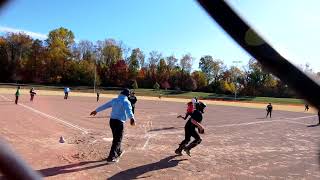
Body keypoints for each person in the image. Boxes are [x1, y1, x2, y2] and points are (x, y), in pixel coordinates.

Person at [90, 88, 136, 163]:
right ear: (127, 95)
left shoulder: (114, 100)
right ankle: (111, 157)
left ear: (121, 93)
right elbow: (129, 111)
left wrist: (96, 110)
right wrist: (132, 118)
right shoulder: (126, 101)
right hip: (119, 122)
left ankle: (118, 151)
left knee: (116, 138)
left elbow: (105, 105)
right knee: (117, 139)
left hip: (112, 121)